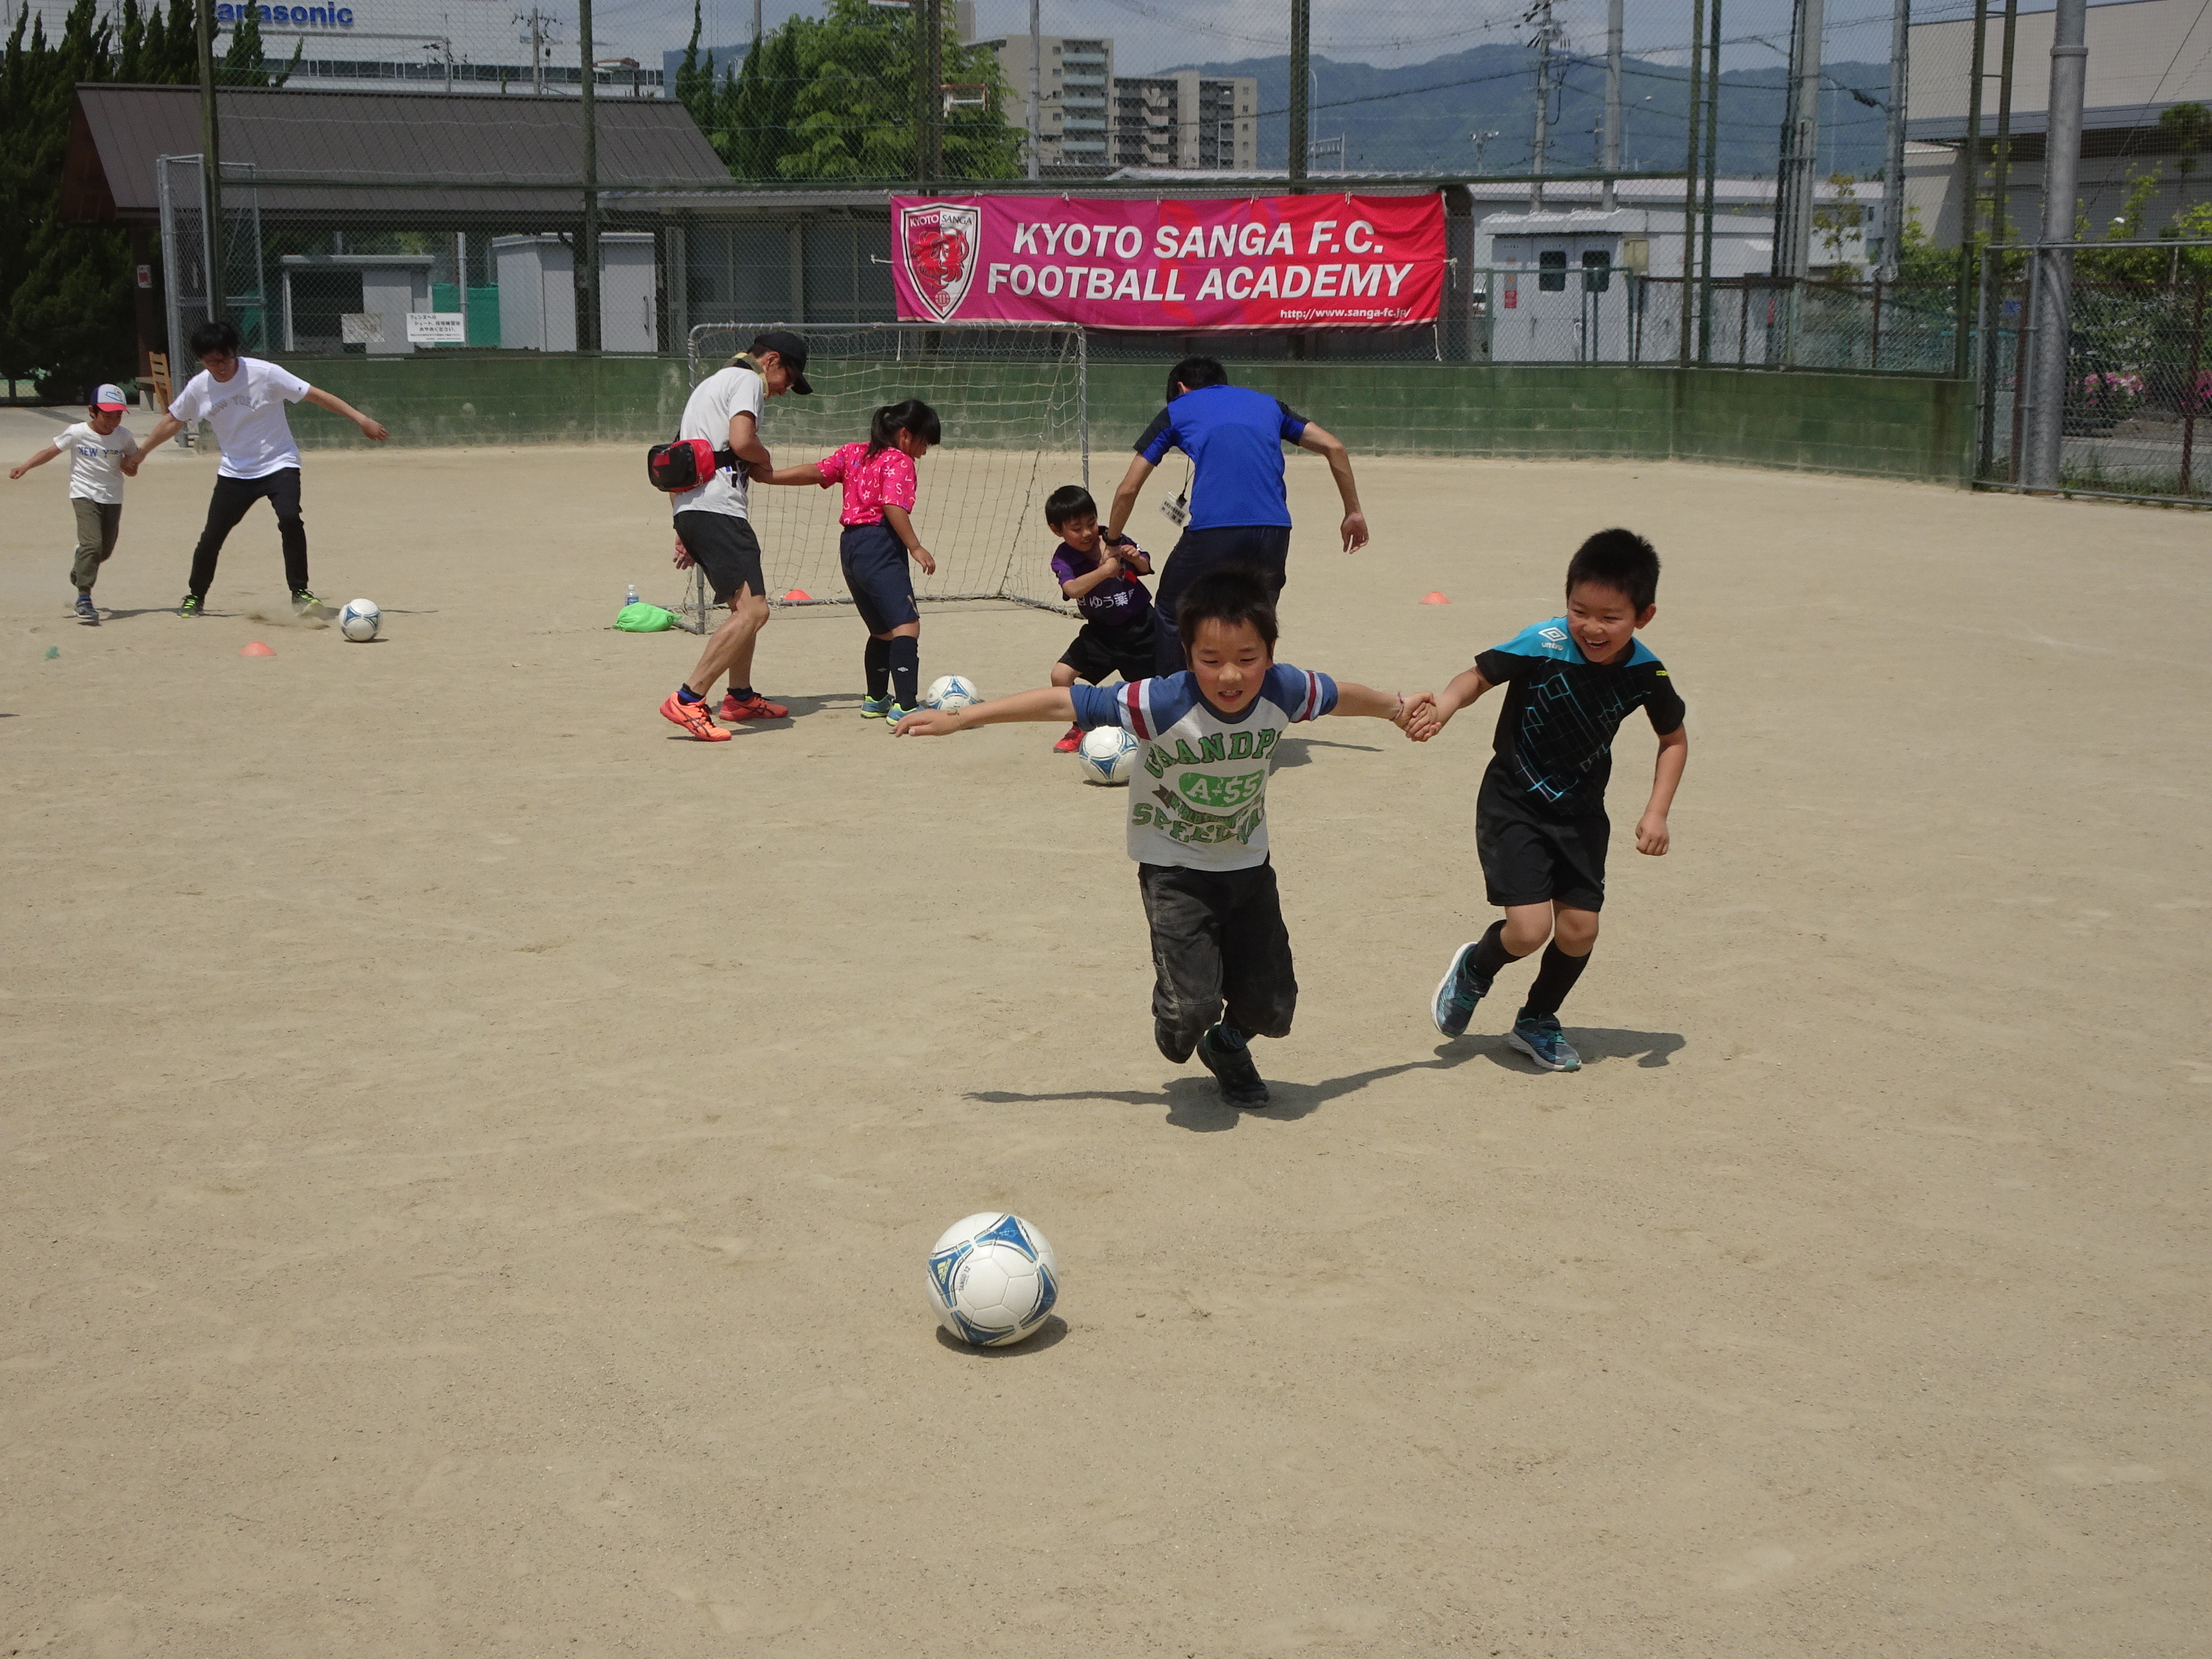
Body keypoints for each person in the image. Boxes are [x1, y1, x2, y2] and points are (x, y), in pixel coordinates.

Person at [896, 568, 1421, 1107]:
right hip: (1174, 869)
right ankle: (1183, 1008)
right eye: (1210, 660)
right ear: (1188, 655)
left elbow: (1340, 695)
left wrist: (1396, 709)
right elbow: (1065, 703)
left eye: (1247, 658)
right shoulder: (1163, 702)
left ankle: (1228, 1046)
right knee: (1186, 1017)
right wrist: (963, 720)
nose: (1231, 676)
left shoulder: (1284, 689)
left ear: (1270, 652)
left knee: (1274, 1007)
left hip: (1247, 866)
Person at [1405, 529, 1689, 1072]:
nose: (1592, 627)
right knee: (1530, 930)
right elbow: (1478, 676)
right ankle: (1476, 969)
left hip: (1582, 812)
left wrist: (1657, 811)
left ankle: (1537, 1019)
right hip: (1514, 801)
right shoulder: (1545, 642)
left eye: (1611, 617)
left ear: (1643, 616)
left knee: (1581, 930)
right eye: (1580, 610)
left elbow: (1673, 739)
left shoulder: (1646, 672)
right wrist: (1445, 705)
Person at [1102, 356, 1369, 676]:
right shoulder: (1270, 405)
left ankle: (1173, 699)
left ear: (1181, 387)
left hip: (1215, 532)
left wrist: (1113, 540)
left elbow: (1128, 489)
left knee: (1172, 611)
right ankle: (1259, 698)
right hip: (1274, 531)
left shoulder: (1178, 409)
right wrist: (1352, 511)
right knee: (1257, 618)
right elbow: (1335, 447)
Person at [125, 319, 388, 616]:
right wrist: (141, 454)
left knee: (290, 518)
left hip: (279, 463)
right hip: (235, 472)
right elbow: (173, 420)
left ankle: (300, 593)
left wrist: (361, 420)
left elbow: (314, 395)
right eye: (210, 362)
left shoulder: (264, 374)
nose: (219, 367)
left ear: (233, 353)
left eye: (223, 359)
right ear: (202, 361)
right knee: (212, 535)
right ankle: (194, 596)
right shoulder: (199, 387)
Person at [660, 330, 812, 742]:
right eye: (789, 379)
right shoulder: (747, 381)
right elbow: (743, 442)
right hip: (718, 509)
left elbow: (679, 452)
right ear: (772, 361)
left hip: (695, 508)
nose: (784, 391)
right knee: (754, 612)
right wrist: (764, 457)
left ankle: (740, 697)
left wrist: (682, 525)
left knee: (742, 609)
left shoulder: (711, 384)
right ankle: (688, 698)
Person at [749, 399, 940, 725]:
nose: (923, 452)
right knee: (907, 626)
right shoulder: (900, 462)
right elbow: (893, 506)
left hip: (851, 548)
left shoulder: (855, 452)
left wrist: (771, 477)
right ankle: (907, 706)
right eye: (924, 443)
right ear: (906, 435)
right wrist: (915, 546)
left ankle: (876, 699)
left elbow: (816, 472)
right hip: (881, 545)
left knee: (882, 631)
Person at [10, 383, 139, 625]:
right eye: (107, 416)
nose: (113, 422)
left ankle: (80, 566)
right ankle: (84, 599)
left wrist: (129, 467)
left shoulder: (124, 436)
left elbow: (132, 467)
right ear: (92, 411)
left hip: (112, 496)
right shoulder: (77, 432)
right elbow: (50, 451)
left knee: (104, 551)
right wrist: (26, 466)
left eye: (118, 416)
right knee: (93, 543)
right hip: (83, 493)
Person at [1041, 483, 1155, 752]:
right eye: (1076, 528)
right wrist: (1107, 570)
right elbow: (1072, 589)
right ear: (1058, 531)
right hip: (1100, 633)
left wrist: (1134, 558)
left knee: (1155, 691)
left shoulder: (1113, 539)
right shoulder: (1063, 558)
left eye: (1091, 523)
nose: (1087, 532)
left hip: (1142, 628)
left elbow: (1147, 567)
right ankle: (1082, 725)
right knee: (1060, 676)